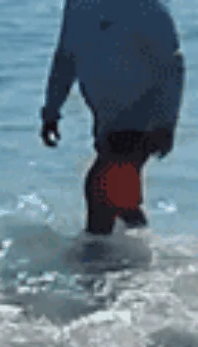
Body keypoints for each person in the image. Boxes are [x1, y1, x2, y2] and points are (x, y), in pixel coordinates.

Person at [40, 0, 185, 235]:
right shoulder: (77, 6)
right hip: (107, 122)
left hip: (143, 119)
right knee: (120, 199)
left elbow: (172, 65)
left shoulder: (147, 7)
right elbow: (65, 58)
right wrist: (51, 111)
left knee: (99, 188)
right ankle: (143, 254)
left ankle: (95, 262)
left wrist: (166, 123)